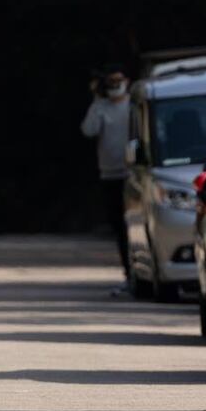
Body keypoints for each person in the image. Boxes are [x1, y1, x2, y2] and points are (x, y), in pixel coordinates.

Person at [80, 65, 131, 285]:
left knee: (134, 225)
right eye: (110, 82)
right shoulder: (101, 107)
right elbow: (89, 130)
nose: (115, 86)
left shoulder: (133, 105)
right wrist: (97, 100)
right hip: (110, 175)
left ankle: (137, 270)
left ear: (126, 81)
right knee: (119, 226)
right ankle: (128, 273)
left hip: (133, 175)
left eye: (118, 81)